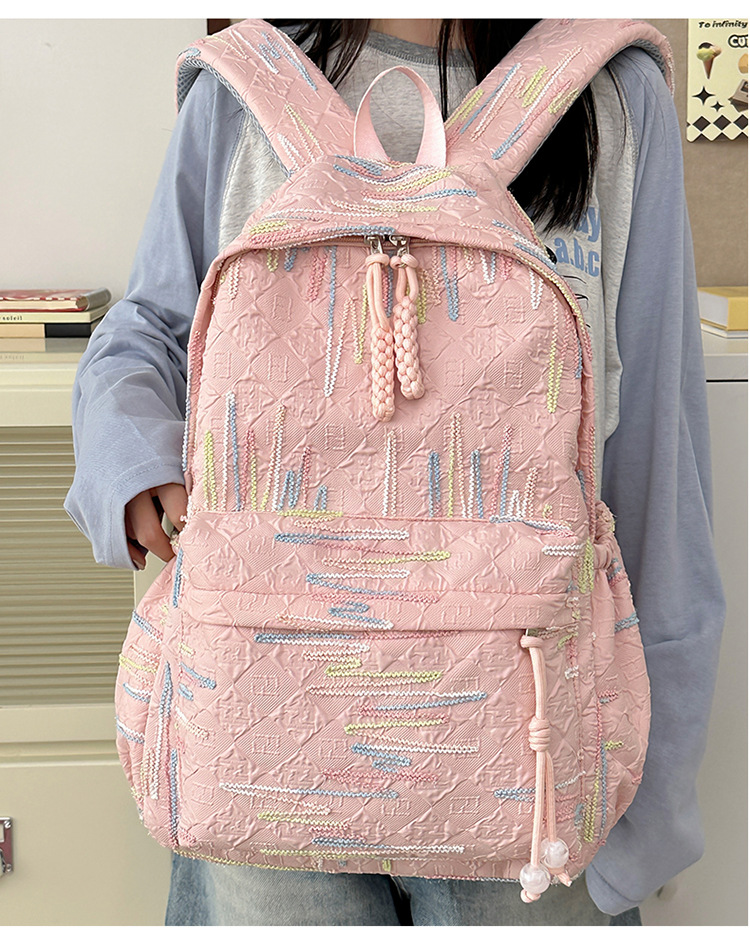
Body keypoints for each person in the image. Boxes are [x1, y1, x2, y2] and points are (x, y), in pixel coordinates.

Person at [64, 18, 726, 926]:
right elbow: (148, 332)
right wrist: (132, 456)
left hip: (530, 750)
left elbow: (656, 439)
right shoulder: (243, 88)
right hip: (263, 730)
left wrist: (652, 804)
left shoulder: (609, 93)